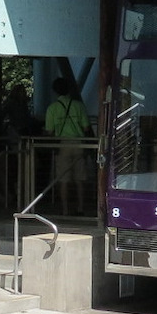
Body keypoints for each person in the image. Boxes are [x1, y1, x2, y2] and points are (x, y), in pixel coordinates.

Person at [44, 77, 93, 214]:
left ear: (55, 91)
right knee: (80, 178)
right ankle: (80, 207)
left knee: (63, 179)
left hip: (62, 144)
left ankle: (65, 209)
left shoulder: (52, 108)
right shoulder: (79, 106)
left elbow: (49, 131)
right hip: (79, 144)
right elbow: (86, 127)